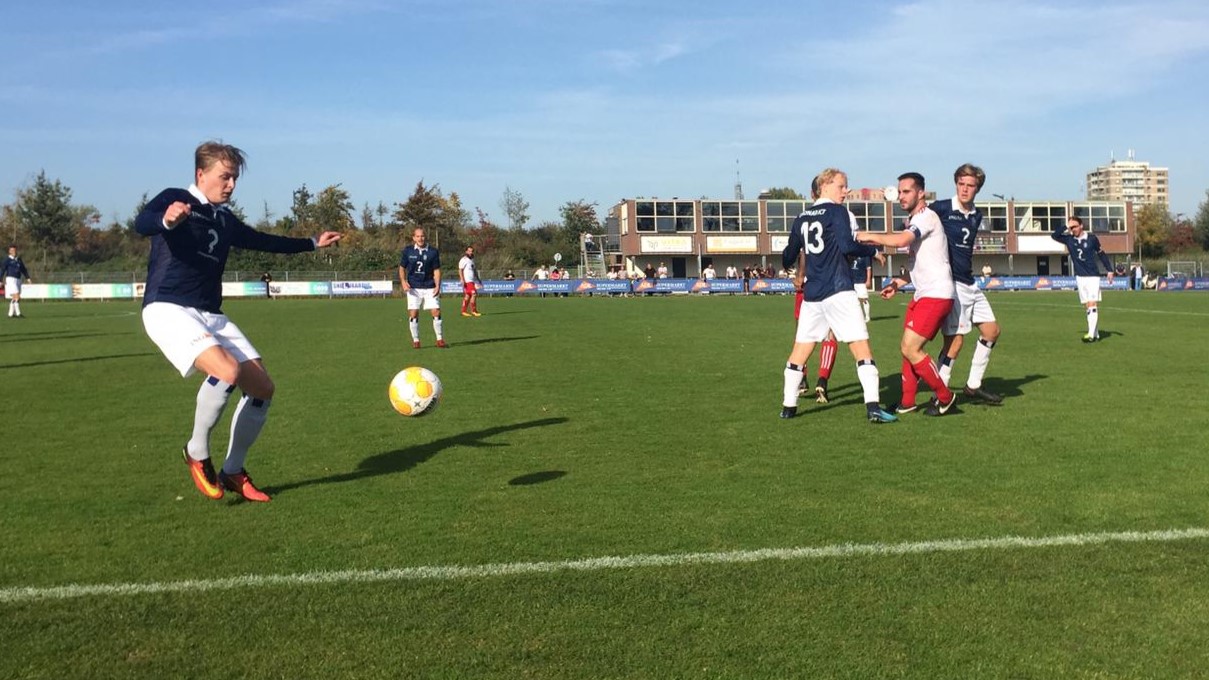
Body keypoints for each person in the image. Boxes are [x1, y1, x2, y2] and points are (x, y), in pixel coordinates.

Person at [135, 141, 342, 502]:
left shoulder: (224, 219)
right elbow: (143, 222)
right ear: (201, 174)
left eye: (234, 178)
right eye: (224, 176)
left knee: (263, 389)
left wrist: (311, 243)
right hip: (168, 307)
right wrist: (166, 219)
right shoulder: (176, 197)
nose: (230, 184)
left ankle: (233, 470)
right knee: (227, 371)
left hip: (211, 314)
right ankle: (197, 452)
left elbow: (263, 241)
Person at [780, 168, 897, 424]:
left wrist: (793, 271)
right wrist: (872, 249)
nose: (846, 191)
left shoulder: (801, 218)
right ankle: (873, 408)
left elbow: (788, 255)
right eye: (842, 186)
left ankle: (788, 407)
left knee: (800, 351)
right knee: (861, 349)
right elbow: (847, 245)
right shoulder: (837, 212)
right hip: (839, 290)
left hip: (812, 295)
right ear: (825, 185)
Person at [856, 172, 957, 416]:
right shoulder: (915, 220)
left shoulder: (926, 217)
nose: (901, 197)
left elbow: (902, 240)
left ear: (920, 193)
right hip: (924, 293)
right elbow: (922, 262)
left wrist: (868, 236)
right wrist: (899, 282)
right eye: (899, 192)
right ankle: (908, 401)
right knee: (906, 348)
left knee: (911, 348)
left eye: (906, 191)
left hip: (937, 294)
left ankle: (945, 397)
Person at [930, 164, 1003, 405]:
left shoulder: (977, 215)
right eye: (961, 184)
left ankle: (973, 386)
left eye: (970, 185)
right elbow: (917, 225)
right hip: (953, 284)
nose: (964, 189)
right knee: (955, 341)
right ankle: (939, 393)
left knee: (991, 331)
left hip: (970, 282)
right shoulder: (940, 208)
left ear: (977, 188)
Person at [1051, 215, 1114, 342]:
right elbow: (1054, 236)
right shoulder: (1069, 239)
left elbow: (1101, 253)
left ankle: (1090, 334)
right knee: (1087, 306)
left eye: (1074, 226)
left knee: (1092, 303)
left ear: (1081, 226)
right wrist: (1066, 226)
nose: (1072, 229)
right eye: (1071, 227)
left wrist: (1109, 270)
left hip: (1092, 276)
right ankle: (1095, 333)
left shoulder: (1091, 239)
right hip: (1080, 277)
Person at [399, 227, 446, 349]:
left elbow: (436, 270)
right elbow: (402, 268)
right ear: (414, 238)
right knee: (414, 314)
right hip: (413, 287)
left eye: (422, 236)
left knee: (436, 311)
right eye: (418, 236)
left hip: (429, 286)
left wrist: (437, 285)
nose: (420, 238)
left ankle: (440, 339)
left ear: (425, 237)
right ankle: (416, 340)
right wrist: (403, 282)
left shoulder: (433, 252)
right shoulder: (408, 251)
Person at [3, 245, 31, 318]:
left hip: (18, 279)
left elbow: (23, 269)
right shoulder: (7, 260)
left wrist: (28, 277)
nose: (13, 252)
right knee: (17, 296)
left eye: (14, 250)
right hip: (10, 279)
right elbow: (2, 270)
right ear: (9, 251)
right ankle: (18, 313)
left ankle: (10, 314)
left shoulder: (19, 259)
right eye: (12, 250)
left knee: (15, 298)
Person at [458, 246, 482, 317]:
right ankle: (474, 311)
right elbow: (460, 270)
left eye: (472, 251)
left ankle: (463, 311)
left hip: (471, 281)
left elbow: (474, 270)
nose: (471, 252)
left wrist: (478, 279)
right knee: (474, 294)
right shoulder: (463, 260)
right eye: (469, 251)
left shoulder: (472, 260)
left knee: (468, 295)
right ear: (466, 251)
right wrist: (462, 279)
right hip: (467, 281)